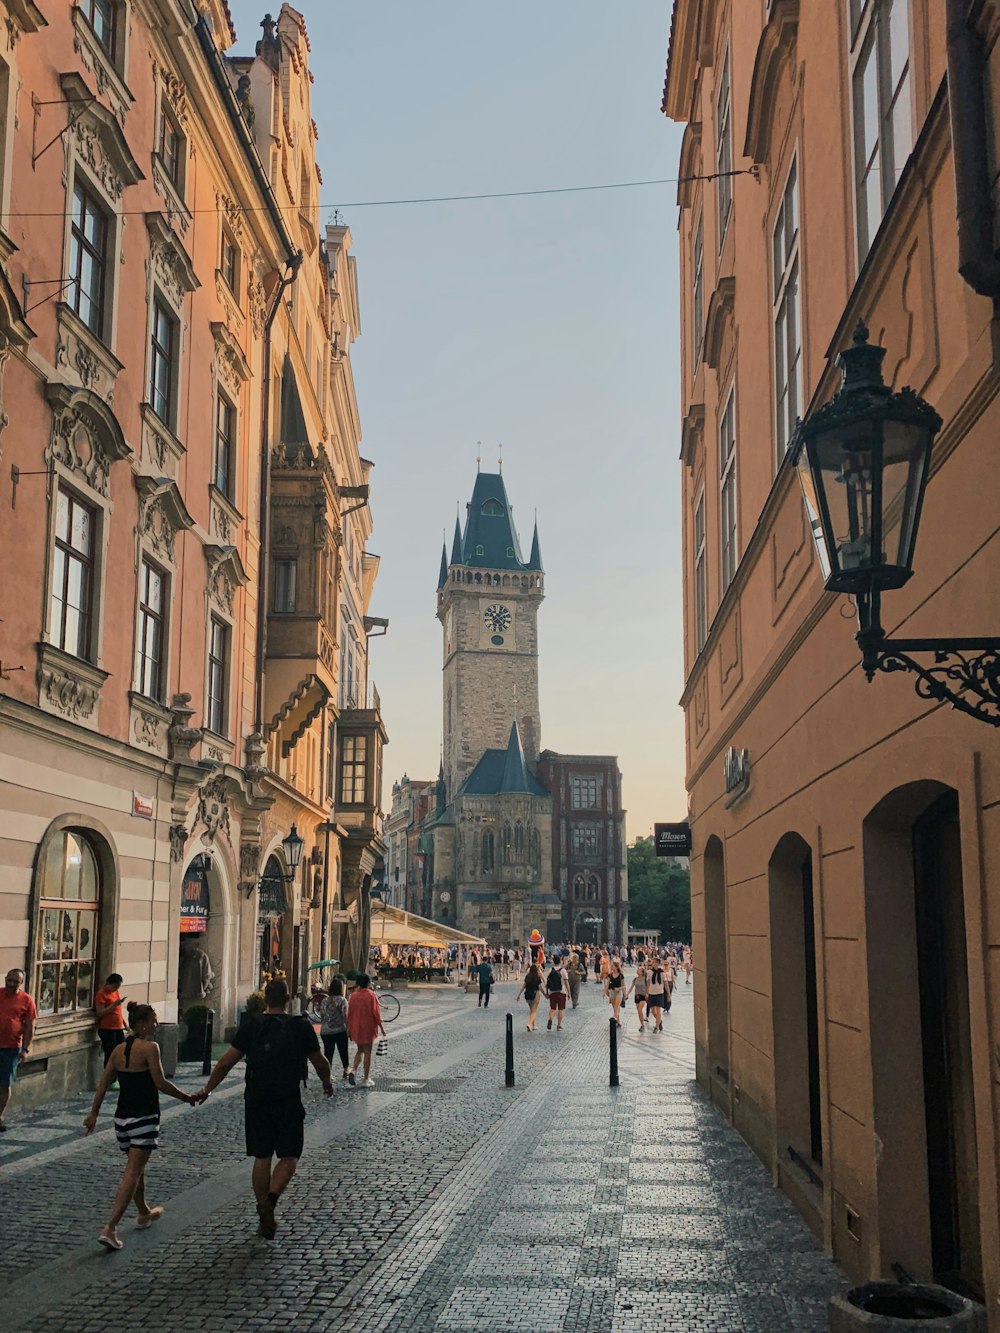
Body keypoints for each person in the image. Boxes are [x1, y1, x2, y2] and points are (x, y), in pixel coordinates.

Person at [198, 977, 332, 1239]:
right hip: (287, 1097)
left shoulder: (252, 1025)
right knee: (290, 1155)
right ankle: (270, 1202)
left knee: (262, 1156)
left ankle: (262, 1209)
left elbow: (225, 1062)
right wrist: (327, 1082)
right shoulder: (300, 1026)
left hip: (257, 1097)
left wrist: (208, 1089)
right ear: (288, 999)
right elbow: (320, 1062)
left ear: (265, 1000)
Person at [83, 1002, 197, 1250]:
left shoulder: (118, 1050)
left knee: (137, 1170)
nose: (156, 1024)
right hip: (143, 1117)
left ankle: (144, 1212)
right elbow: (160, 1082)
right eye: (154, 1020)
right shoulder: (150, 1048)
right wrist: (186, 1097)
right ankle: (110, 1228)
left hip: (121, 1119)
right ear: (142, 1024)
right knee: (132, 1173)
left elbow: (103, 1084)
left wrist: (93, 1113)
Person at [0, 968, 36, 1131]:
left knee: (4, 1084)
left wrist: (26, 1049)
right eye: (9, 980)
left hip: (11, 1048)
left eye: (16, 982)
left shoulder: (27, 1000)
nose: (11, 984)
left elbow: (29, 1027)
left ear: (21, 983)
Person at [346, 973, 386, 1087]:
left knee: (360, 1050)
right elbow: (376, 1013)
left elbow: (350, 1013)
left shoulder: (353, 996)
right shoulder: (371, 995)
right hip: (368, 1026)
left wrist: (349, 1028)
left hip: (357, 1027)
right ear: (368, 983)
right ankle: (366, 1078)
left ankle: (353, 1070)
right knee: (368, 1052)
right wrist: (381, 1027)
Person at [319, 978, 350, 1079]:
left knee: (328, 1052)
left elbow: (322, 1015)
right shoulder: (342, 1000)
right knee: (343, 1051)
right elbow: (345, 1016)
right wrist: (348, 1028)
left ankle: (328, 1073)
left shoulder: (324, 1000)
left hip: (326, 1031)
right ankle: (346, 1070)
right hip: (340, 1030)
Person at [94, 972, 127, 1065]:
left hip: (118, 1027)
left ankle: (118, 1074)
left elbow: (118, 1011)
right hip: (107, 1028)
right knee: (110, 1053)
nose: (116, 989)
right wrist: (113, 1005)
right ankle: (109, 1076)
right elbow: (100, 1013)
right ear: (109, 983)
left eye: (118, 987)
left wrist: (125, 1024)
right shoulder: (102, 994)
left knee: (122, 1051)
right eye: (115, 986)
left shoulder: (115, 992)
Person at [516, 962, 543, 1031]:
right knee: (534, 1011)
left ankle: (534, 1025)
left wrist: (519, 995)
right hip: (535, 994)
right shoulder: (537, 977)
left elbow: (523, 986)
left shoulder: (527, 977)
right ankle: (530, 1024)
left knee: (532, 1010)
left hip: (528, 995)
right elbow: (540, 987)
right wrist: (545, 995)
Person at [544, 957, 568, 1032]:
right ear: (560, 962)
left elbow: (547, 983)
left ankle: (550, 1019)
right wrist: (569, 992)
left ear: (553, 962)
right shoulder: (563, 970)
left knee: (553, 1008)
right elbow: (566, 982)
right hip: (561, 992)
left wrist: (547, 992)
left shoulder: (550, 970)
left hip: (552, 992)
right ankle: (559, 1025)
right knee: (560, 1009)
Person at [646, 957, 666, 1033]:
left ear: (657, 963)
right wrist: (646, 992)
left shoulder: (662, 972)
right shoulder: (649, 972)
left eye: (654, 962)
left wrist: (668, 994)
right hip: (651, 992)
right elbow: (648, 983)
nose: (652, 963)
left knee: (658, 1010)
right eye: (652, 962)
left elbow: (665, 983)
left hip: (660, 993)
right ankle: (659, 1021)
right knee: (653, 1011)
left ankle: (656, 1027)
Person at [604, 959, 626, 1027]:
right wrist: (605, 991)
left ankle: (614, 1022)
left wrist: (623, 993)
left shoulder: (621, 975)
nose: (611, 967)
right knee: (615, 1008)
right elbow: (607, 984)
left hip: (619, 992)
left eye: (613, 966)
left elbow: (624, 986)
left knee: (616, 1008)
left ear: (616, 967)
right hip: (612, 992)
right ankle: (618, 1021)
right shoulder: (610, 975)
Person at [628, 963, 648, 1031]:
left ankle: (642, 1025)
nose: (637, 970)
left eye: (639, 969)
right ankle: (642, 1024)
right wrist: (627, 994)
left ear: (642, 972)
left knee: (640, 1009)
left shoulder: (645, 979)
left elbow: (647, 987)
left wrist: (647, 994)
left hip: (643, 995)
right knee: (639, 1011)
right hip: (637, 996)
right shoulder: (635, 979)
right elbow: (631, 987)